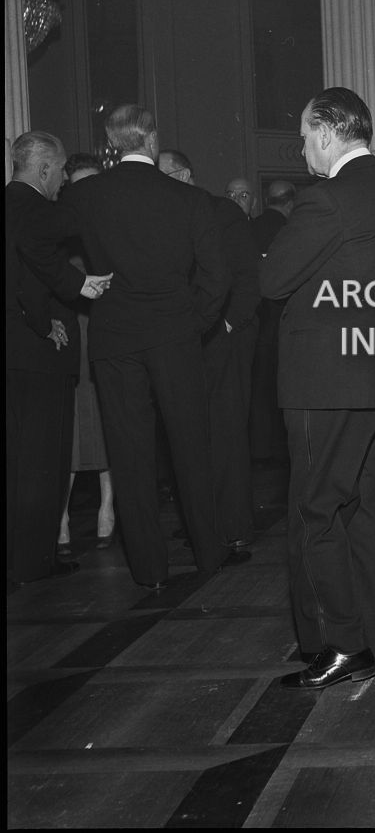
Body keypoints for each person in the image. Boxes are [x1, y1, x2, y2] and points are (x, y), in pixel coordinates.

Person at [22, 106, 247, 591]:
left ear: (111, 143)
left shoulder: (85, 194)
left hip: (115, 339)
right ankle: (209, 555)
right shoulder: (189, 199)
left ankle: (149, 569)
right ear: (151, 140)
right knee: (191, 447)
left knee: (129, 455)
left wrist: (76, 285)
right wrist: (196, 323)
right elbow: (218, 276)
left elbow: (31, 240)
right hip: (176, 337)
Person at [263, 87, 375, 690]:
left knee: (315, 511)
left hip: (328, 384)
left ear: (328, 133)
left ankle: (339, 644)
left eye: (305, 135)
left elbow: (274, 280)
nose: (301, 146)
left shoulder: (324, 199)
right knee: (374, 513)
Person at [6, 132, 110, 586]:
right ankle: (34, 561)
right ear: (44, 167)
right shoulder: (32, 209)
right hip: (37, 352)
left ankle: (22, 557)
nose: (64, 178)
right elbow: (33, 260)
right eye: (63, 169)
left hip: (14, 353)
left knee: (19, 458)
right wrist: (61, 302)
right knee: (41, 459)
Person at [158, 149, 262, 549]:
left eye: (164, 174)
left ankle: (233, 526)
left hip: (226, 335)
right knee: (189, 433)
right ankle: (200, 522)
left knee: (226, 430)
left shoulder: (222, 212)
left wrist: (227, 324)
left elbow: (247, 277)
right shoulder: (164, 217)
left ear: (184, 174)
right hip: (185, 339)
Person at [57, 153, 115, 554]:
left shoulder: (117, 222)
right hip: (68, 328)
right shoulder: (57, 227)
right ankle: (58, 515)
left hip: (107, 326)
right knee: (71, 419)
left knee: (108, 412)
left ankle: (108, 506)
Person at [249, 180, 296, 465]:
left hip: (257, 320)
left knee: (259, 386)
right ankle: (276, 448)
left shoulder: (252, 227)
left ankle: (260, 447)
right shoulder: (288, 231)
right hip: (280, 321)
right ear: (290, 203)